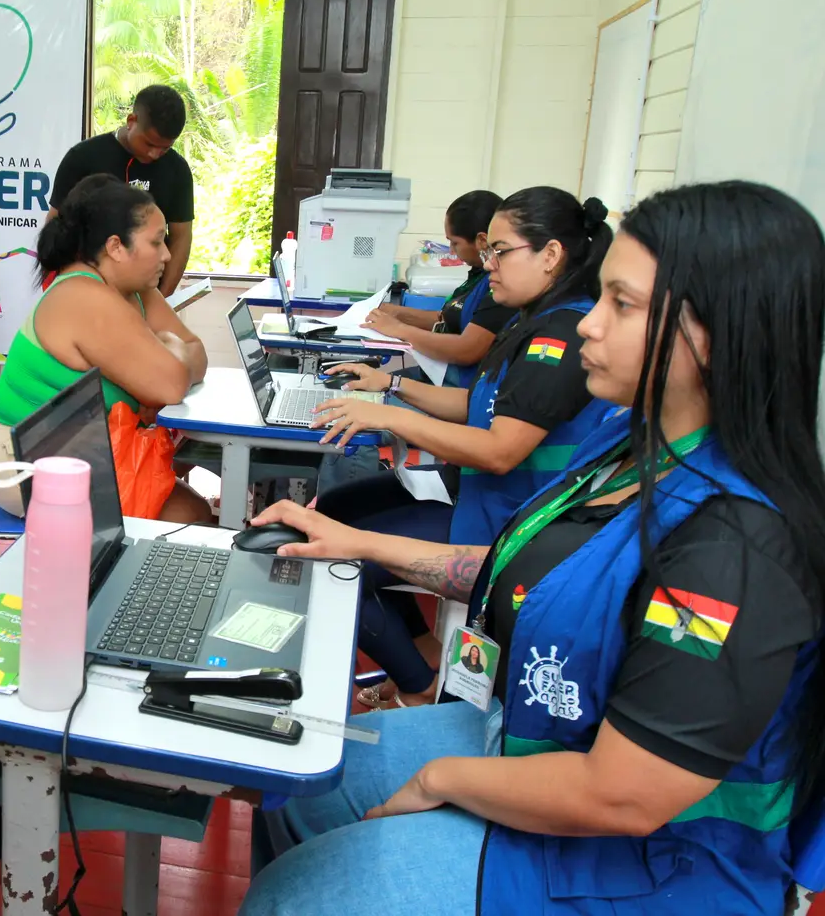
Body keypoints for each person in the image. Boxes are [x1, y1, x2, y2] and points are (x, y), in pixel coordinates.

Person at [240, 180, 825, 916]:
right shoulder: (630, 445)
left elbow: (622, 795)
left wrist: (440, 781)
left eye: (622, 305)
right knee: (297, 779)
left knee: (287, 899)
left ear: (714, 333)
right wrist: (355, 542)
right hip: (531, 735)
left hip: (641, 866)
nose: (590, 325)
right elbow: (534, 579)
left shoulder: (736, 550)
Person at [315, 188, 616, 709]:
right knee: (335, 509)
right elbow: (477, 404)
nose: (487, 262)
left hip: (508, 519)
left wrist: (388, 416)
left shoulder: (562, 335)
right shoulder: (531, 318)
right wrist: (389, 385)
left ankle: (416, 685)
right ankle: (423, 655)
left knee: (330, 556)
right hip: (478, 494)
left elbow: (500, 449)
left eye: (500, 251)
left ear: (550, 255)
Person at [0, 174, 211, 522]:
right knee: (189, 516)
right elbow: (172, 385)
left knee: (191, 499)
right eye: (156, 242)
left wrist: (169, 353)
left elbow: (196, 354)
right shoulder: (84, 297)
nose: (167, 254)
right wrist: (168, 347)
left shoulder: (135, 290)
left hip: (87, 450)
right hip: (28, 462)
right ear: (116, 247)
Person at [49, 85, 194, 297]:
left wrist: (162, 298)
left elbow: (181, 238)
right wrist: (69, 287)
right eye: (149, 144)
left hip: (148, 292)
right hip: (87, 290)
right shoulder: (83, 158)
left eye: (165, 148)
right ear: (131, 121)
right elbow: (56, 225)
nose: (154, 154)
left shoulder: (177, 170)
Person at [364, 190, 515, 387]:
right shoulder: (478, 276)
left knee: (378, 389)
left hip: (462, 384)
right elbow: (448, 318)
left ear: (482, 241)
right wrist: (396, 313)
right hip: (442, 373)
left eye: (455, 242)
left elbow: (467, 349)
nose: (451, 250)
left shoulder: (499, 285)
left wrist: (399, 329)